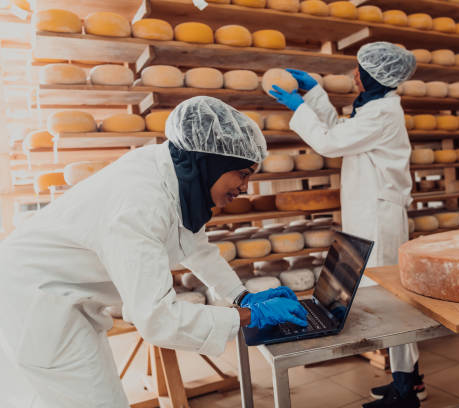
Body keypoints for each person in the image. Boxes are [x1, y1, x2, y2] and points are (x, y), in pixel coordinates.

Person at [0, 96, 308, 408]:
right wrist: (248, 317)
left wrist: (241, 296)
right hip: (36, 303)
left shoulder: (176, 176)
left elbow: (195, 247)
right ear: (211, 162)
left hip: (65, 298)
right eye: (243, 174)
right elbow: (158, 319)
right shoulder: (140, 204)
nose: (245, 188)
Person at [270, 42, 424, 408]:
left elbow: (330, 141)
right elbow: (341, 130)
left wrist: (300, 108)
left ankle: (406, 391)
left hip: (378, 218)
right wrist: (314, 93)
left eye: (360, 70)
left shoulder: (382, 114)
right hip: (369, 213)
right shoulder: (374, 110)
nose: (355, 74)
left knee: (389, 300)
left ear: (374, 76)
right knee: (388, 297)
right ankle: (408, 379)